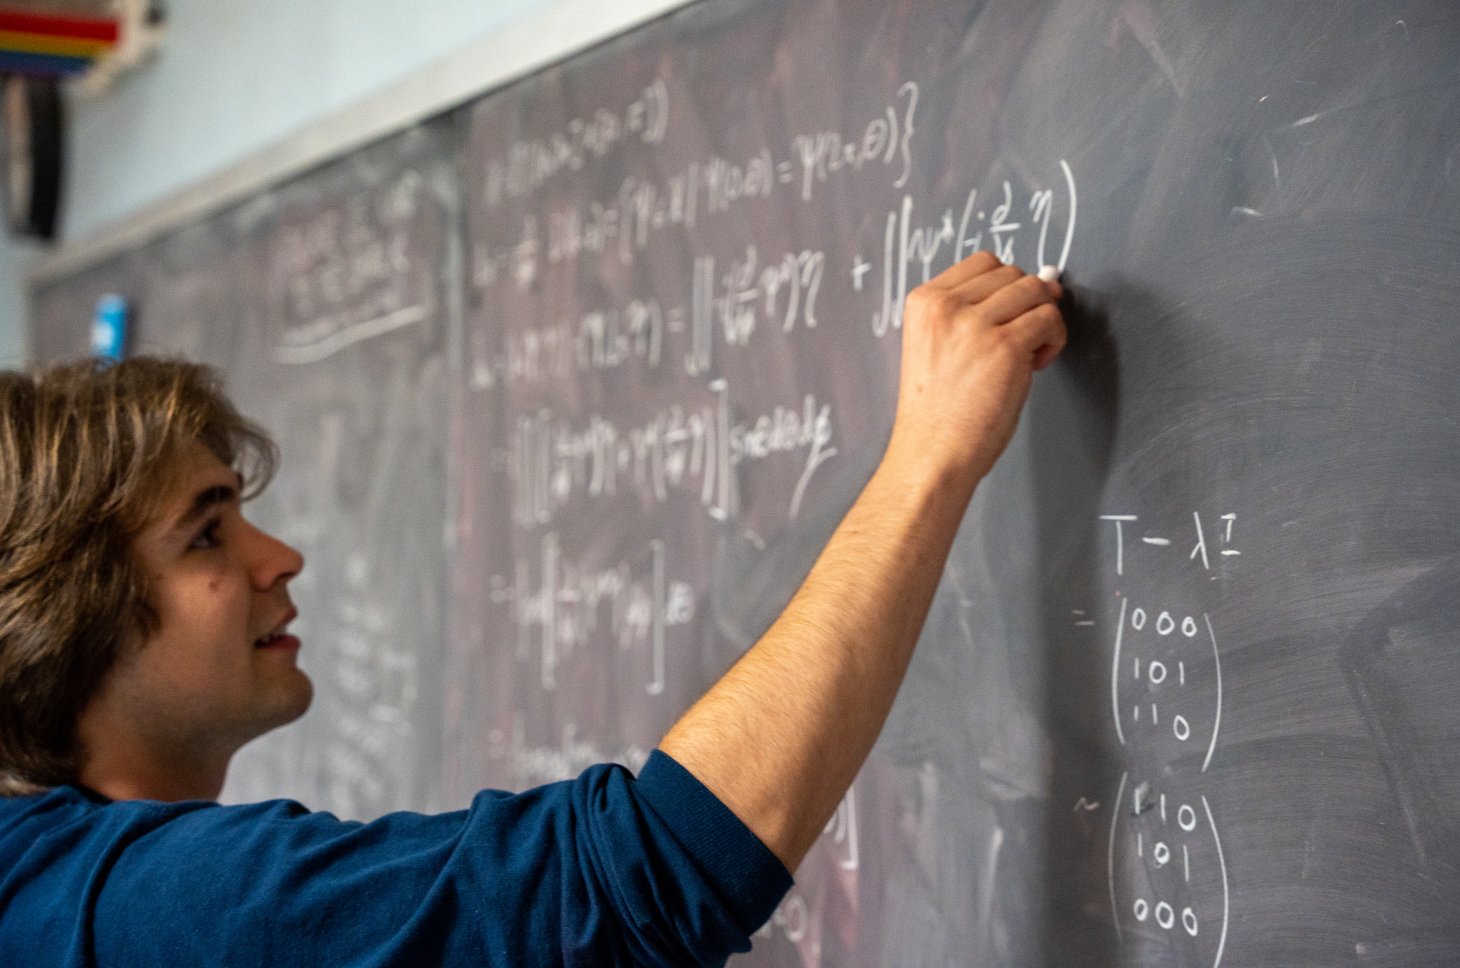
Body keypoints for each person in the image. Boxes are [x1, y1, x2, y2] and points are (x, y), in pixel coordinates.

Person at [0, 251, 1065, 966]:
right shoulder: (137, 911)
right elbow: (641, 877)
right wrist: (927, 459)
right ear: (65, 617)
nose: (281, 556)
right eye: (207, 531)